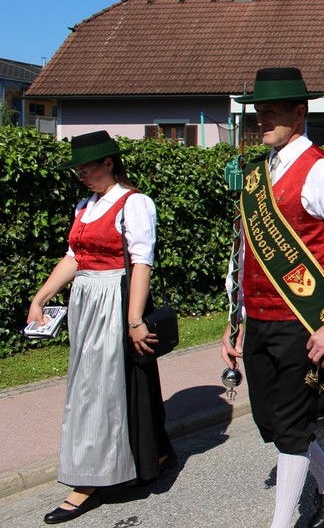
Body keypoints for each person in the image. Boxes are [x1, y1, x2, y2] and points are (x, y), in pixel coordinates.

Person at [220, 68, 324, 528]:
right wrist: (234, 320)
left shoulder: (323, 171)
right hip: (258, 320)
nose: (261, 119)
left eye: (271, 111)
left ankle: (282, 522)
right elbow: (244, 253)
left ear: (299, 112)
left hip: (302, 321)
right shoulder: (257, 174)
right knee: (271, 423)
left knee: (291, 429)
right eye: (258, 111)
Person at [29, 130, 174, 524]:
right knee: (99, 383)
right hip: (86, 302)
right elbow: (73, 258)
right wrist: (40, 298)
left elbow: (141, 262)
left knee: (97, 389)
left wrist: (134, 319)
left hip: (115, 298)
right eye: (78, 170)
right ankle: (150, 454)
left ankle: (88, 482)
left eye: (86, 168)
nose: (81, 175)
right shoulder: (85, 205)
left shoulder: (134, 203)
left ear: (109, 163)